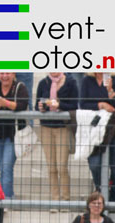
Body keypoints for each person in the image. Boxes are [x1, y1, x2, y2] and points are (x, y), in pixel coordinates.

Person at [80, 73, 115, 202]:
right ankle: (102, 193)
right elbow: (83, 104)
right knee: (95, 164)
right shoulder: (87, 80)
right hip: (95, 129)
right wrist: (101, 105)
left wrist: (110, 90)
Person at [35, 72, 78, 206]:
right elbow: (37, 104)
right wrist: (41, 107)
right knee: (51, 167)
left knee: (62, 166)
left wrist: (59, 105)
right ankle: (55, 199)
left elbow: (74, 106)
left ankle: (65, 199)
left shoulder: (71, 83)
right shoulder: (43, 83)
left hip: (62, 127)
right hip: (46, 127)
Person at [0, 72, 28, 198]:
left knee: (7, 167)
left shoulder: (20, 87)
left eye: (7, 73)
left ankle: (6, 199)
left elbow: (22, 104)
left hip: (13, 134)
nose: (4, 76)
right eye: (2, 73)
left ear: (13, 74)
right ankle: (6, 196)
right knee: (3, 168)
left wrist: (5, 103)